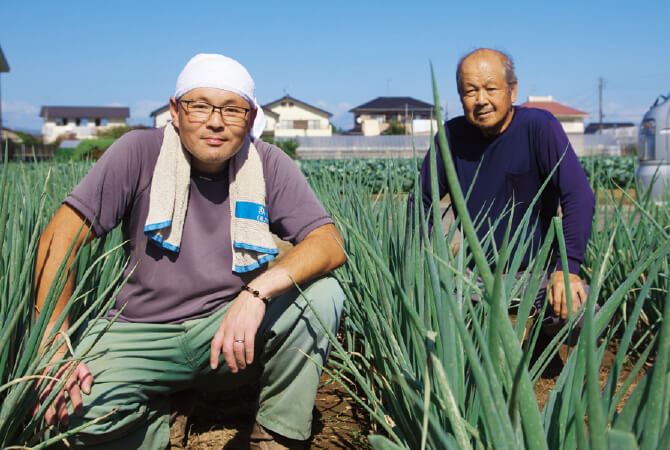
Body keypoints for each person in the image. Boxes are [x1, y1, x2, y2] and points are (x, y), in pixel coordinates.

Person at [34, 53, 346, 449]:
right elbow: (59, 238)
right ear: (175, 110)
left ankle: (276, 433)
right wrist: (54, 343)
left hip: (227, 333)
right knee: (66, 416)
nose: (215, 121)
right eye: (200, 106)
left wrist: (256, 293)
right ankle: (162, 418)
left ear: (250, 117)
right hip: (140, 333)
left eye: (231, 109)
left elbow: (328, 242)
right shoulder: (138, 152)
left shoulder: (267, 163)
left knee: (323, 294)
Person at [419, 48, 595, 360]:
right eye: (470, 91)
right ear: (460, 97)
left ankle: (540, 337)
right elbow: (421, 201)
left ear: (512, 91)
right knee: (426, 312)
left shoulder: (538, 127)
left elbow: (578, 195)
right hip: (475, 276)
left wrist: (567, 269)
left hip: (536, 274)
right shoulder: (451, 137)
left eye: (491, 88)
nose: (481, 99)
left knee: (583, 314)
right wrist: (418, 262)